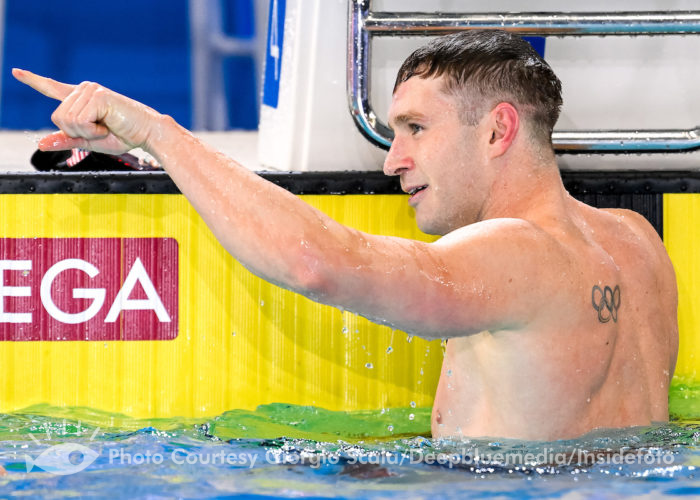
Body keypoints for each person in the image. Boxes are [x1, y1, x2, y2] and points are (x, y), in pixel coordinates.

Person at [13, 30, 678, 441]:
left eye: (416, 128)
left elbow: (317, 261)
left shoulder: (517, 255)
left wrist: (158, 132)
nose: (393, 161)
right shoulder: (634, 241)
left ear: (499, 130)